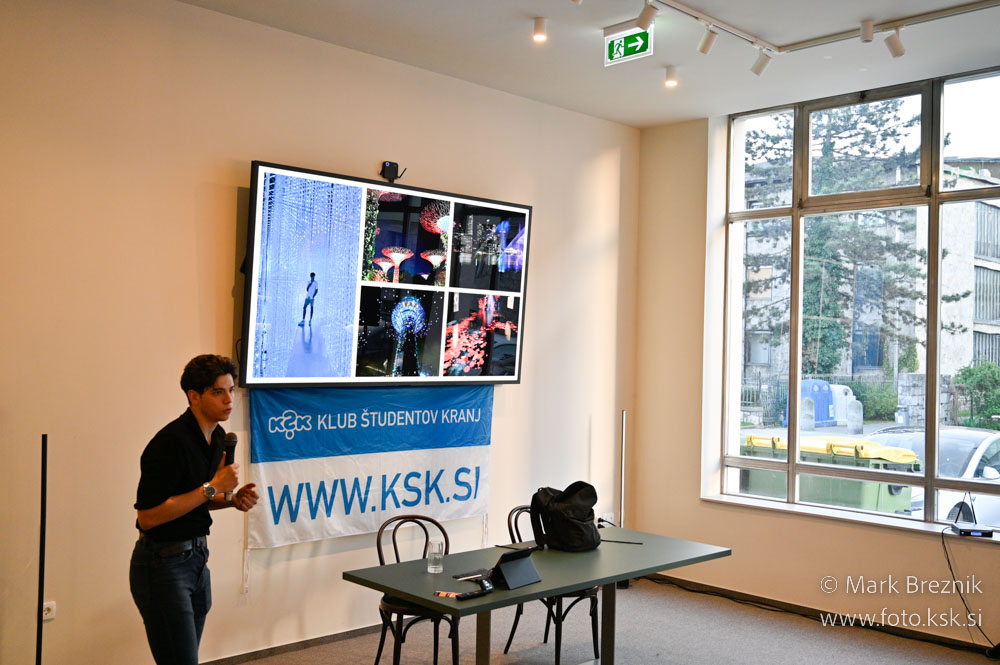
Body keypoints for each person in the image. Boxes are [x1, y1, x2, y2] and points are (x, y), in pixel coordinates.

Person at [130, 354, 259, 665]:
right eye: (218, 392)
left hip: (197, 559)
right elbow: (148, 517)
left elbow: (198, 499)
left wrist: (232, 500)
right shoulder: (170, 443)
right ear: (194, 396)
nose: (229, 400)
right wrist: (214, 486)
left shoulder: (217, 437)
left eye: (231, 390)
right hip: (163, 564)